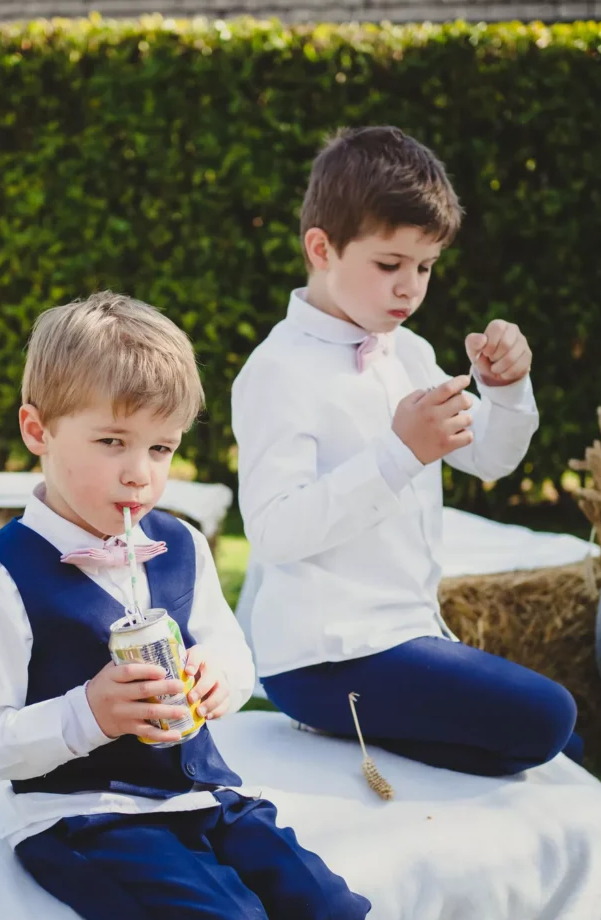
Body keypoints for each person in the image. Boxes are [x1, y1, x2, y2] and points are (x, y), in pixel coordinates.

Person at [0, 290, 369, 920]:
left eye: (161, 447)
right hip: (82, 815)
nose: (140, 471)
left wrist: (218, 678)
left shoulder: (181, 543)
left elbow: (233, 651)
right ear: (37, 429)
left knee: (329, 908)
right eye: (112, 441)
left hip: (202, 794)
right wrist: (88, 713)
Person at [232, 126, 582, 777]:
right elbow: (274, 531)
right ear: (322, 247)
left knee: (563, 744)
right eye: (389, 265)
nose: (409, 288)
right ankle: (346, 728)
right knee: (550, 720)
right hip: (324, 657)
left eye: (424, 267)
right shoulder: (277, 371)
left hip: (408, 635)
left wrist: (506, 392)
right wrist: (397, 453)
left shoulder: (411, 353)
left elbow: (489, 459)